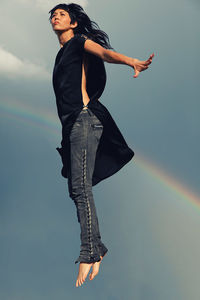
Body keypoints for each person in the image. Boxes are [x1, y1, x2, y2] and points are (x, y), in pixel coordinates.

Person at [49, 2, 154, 288]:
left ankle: (90, 251)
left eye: (61, 14)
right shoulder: (60, 56)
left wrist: (131, 61)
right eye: (53, 15)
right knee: (76, 189)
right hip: (71, 126)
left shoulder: (80, 42)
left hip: (85, 120)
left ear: (73, 23)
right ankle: (97, 247)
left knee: (80, 187)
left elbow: (105, 54)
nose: (55, 17)